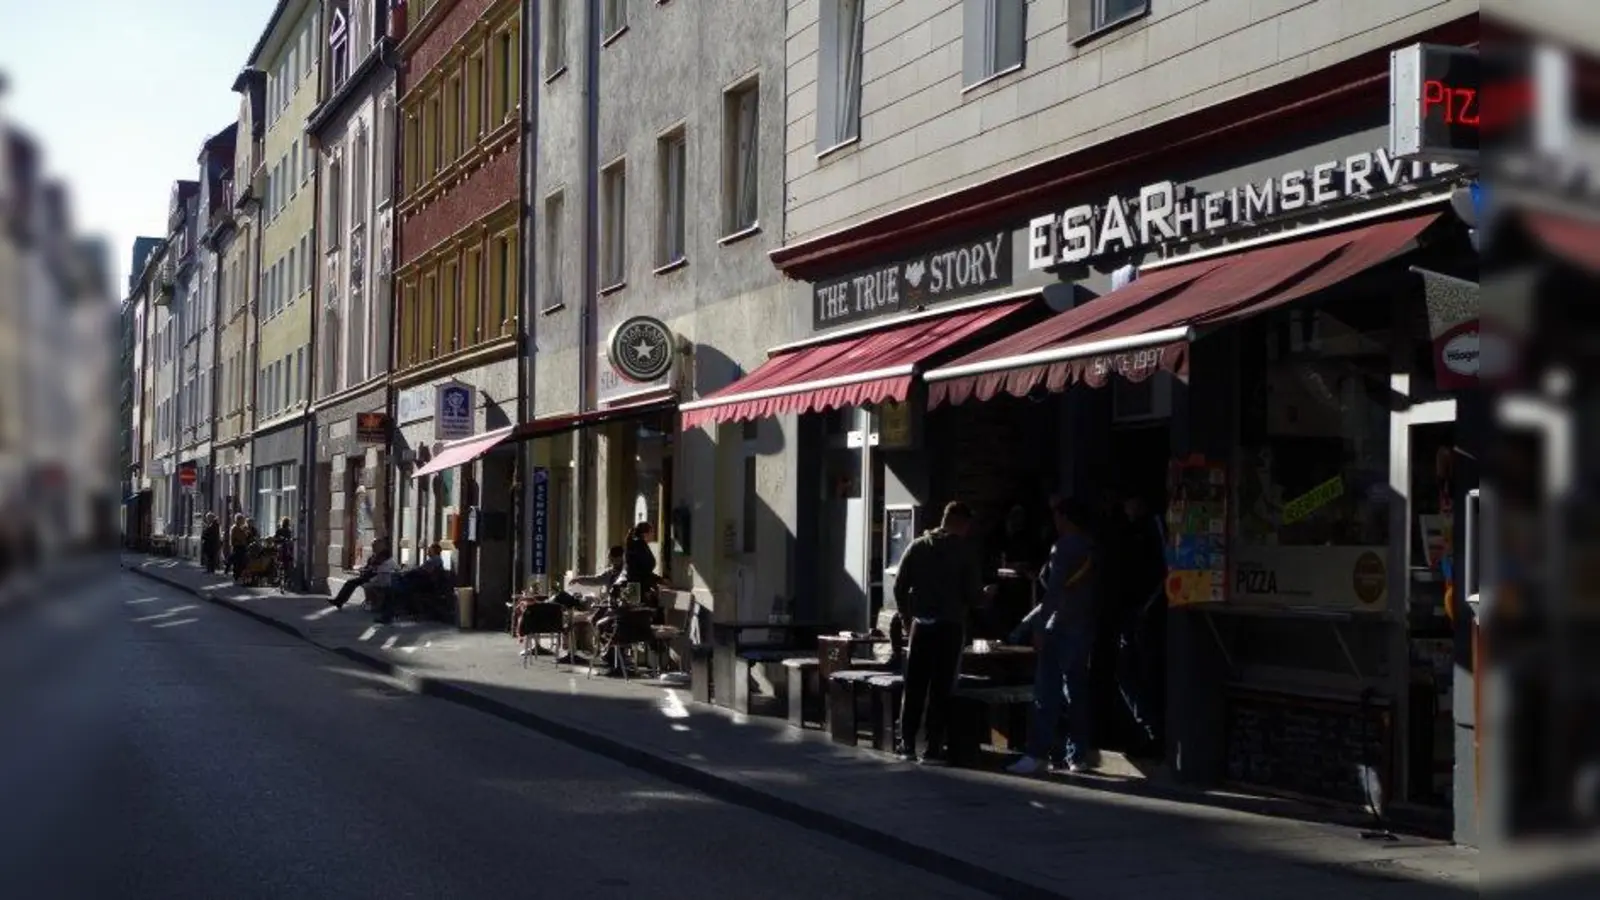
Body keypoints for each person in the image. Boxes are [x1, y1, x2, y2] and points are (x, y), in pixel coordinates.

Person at [891, 501, 996, 764]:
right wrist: (986, 596)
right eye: (968, 525)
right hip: (949, 627)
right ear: (961, 523)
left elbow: (899, 586)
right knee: (941, 688)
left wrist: (906, 618)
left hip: (920, 626)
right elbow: (973, 596)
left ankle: (906, 743)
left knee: (914, 686)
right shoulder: (964, 551)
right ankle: (932, 748)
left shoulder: (917, 546)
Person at [1008, 497, 1099, 775]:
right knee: (1076, 693)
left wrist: (1035, 627)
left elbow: (1054, 592)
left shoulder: (1064, 547)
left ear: (1065, 518)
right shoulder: (1092, 547)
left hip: (1059, 627)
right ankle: (1077, 755)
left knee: (1046, 692)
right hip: (1084, 627)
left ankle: (1036, 753)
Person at [1105, 494, 1166, 758]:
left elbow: (1166, 568)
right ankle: (1148, 730)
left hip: (1144, 611)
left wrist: (1147, 606)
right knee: (1128, 672)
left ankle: (1155, 733)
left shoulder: (1152, 527)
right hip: (1130, 611)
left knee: (1143, 672)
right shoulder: (1127, 532)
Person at [329, 537, 393, 610]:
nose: (373, 547)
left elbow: (377, 567)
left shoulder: (383, 555)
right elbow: (369, 566)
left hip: (375, 577)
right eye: (372, 546)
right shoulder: (373, 555)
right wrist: (363, 569)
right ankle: (339, 601)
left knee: (351, 582)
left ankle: (339, 601)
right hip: (367, 575)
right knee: (350, 582)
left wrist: (368, 569)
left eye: (374, 546)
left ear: (379, 545)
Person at [228, 514, 252, 579]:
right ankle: (236, 575)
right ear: (238, 520)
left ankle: (239, 574)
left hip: (242, 546)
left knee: (241, 561)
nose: (243, 521)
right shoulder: (235, 528)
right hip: (238, 546)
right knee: (237, 562)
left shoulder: (241, 527)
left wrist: (246, 532)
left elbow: (246, 536)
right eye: (242, 520)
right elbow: (235, 538)